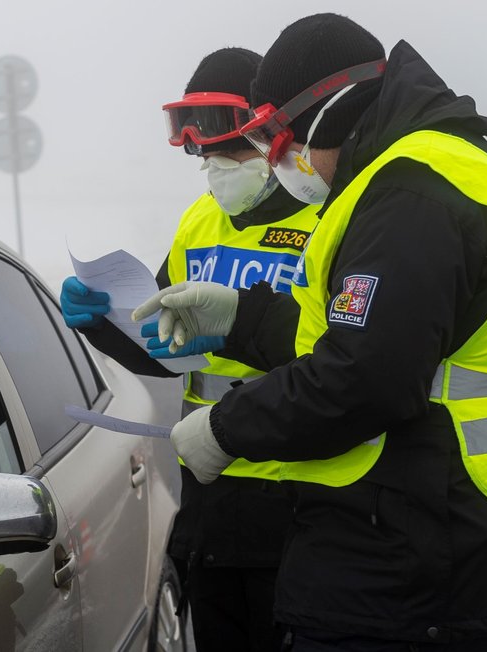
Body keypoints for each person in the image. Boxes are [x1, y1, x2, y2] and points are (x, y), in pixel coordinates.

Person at [132, 14, 487, 651]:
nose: (284, 160)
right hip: (418, 535)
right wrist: (242, 317)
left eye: (284, 139)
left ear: (330, 111)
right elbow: (376, 336)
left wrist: (227, 429)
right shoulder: (424, 174)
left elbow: (367, 376)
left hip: (408, 555)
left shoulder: (413, 192)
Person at [61, 47, 321, 651]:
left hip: (300, 494)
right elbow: (164, 342)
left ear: (268, 136)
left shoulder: (323, 219)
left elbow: (342, 354)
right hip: (212, 491)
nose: (214, 168)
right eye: (204, 157)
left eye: (227, 153)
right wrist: (103, 321)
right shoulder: (199, 221)